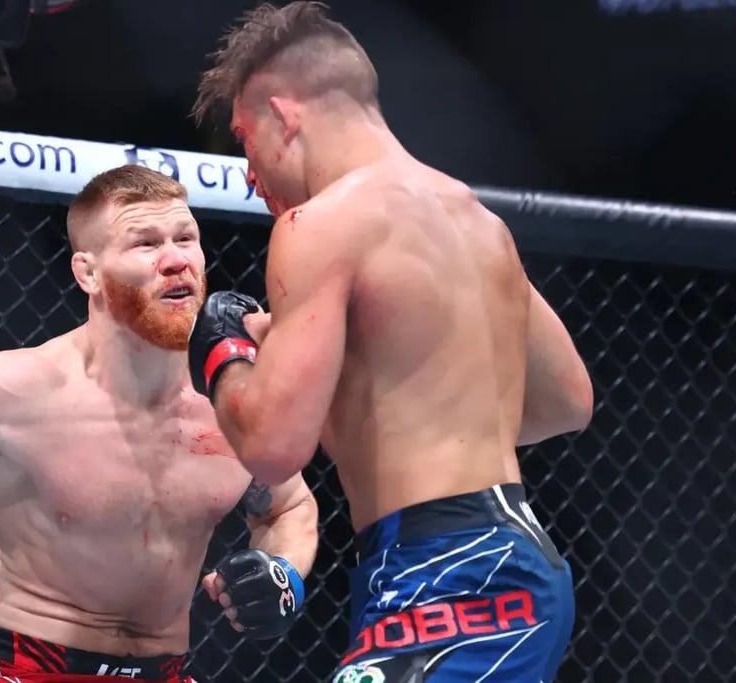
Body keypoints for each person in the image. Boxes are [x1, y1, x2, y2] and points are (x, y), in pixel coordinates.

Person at [187, 3, 593, 681]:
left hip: (456, 571)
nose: (248, 174)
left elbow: (273, 444)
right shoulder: (476, 219)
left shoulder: (319, 226)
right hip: (491, 557)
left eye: (243, 138)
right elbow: (565, 401)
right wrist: (413, 409)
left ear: (286, 118)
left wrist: (221, 348)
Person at [0, 164, 319, 682]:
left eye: (186, 238)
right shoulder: (15, 389)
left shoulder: (230, 397)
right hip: (25, 669)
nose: (176, 260)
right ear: (88, 272)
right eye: (146, 243)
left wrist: (284, 573)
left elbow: (289, 507)